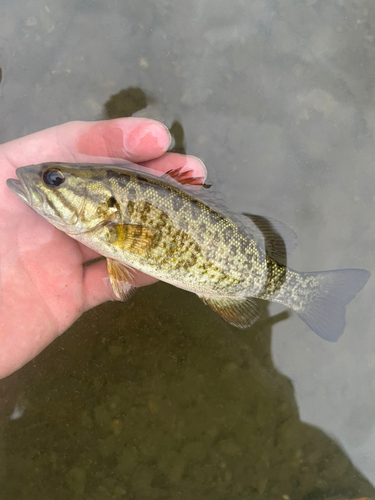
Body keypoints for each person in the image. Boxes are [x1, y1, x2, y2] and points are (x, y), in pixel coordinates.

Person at [0, 118, 207, 379]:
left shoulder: (111, 226)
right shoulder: (108, 227)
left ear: (105, 204)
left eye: (54, 179)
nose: (41, 181)